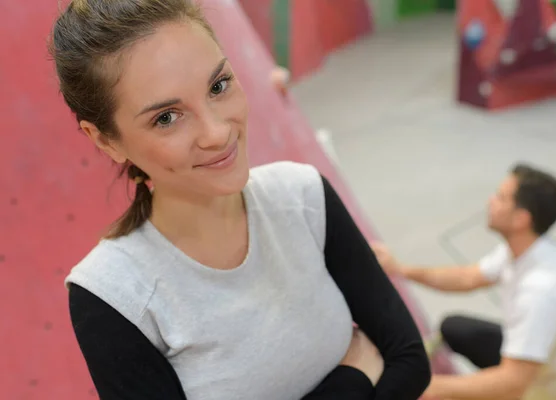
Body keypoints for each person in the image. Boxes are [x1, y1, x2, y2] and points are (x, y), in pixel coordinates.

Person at [49, 1, 431, 399]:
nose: (216, 132)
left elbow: (409, 361)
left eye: (218, 86)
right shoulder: (114, 296)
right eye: (166, 117)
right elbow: (388, 366)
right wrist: (353, 378)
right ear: (106, 140)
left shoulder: (303, 197)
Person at [372, 163, 556, 400]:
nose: (490, 201)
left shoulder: (542, 293)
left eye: (501, 198)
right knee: (454, 327)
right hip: (537, 364)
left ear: (521, 219)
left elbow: (512, 386)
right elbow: (468, 277)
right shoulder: (529, 247)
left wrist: (423, 386)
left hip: (547, 393)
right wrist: (401, 270)